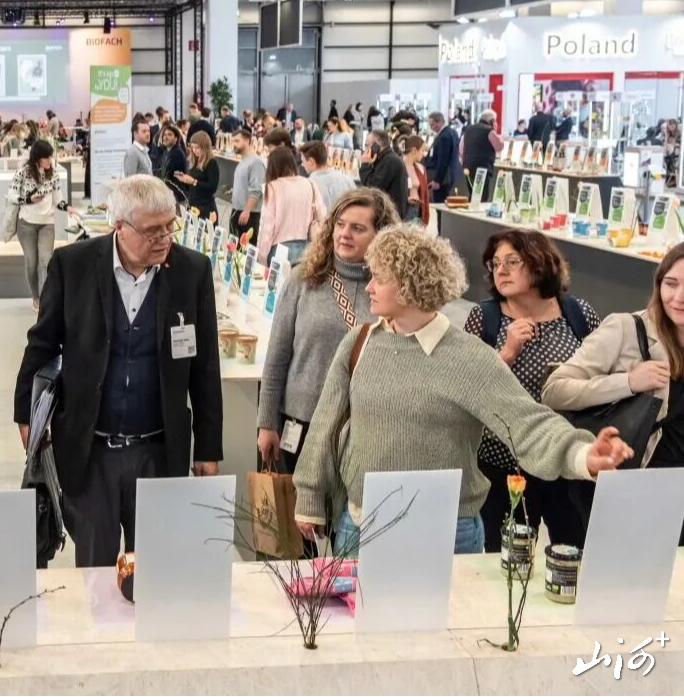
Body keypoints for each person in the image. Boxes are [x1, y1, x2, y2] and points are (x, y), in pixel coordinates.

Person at [293, 226, 631, 555]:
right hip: (360, 522)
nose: (369, 287)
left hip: (447, 530)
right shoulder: (360, 342)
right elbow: (326, 423)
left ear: (411, 283)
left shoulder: (467, 357)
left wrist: (583, 455)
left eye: (379, 278)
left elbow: (527, 422)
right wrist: (309, 496)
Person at [13, 175, 222, 568]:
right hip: (91, 451)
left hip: (159, 452)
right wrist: (25, 412)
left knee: (157, 568)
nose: (165, 238)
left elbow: (205, 365)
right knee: (95, 571)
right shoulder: (73, 265)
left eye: (170, 226)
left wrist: (208, 447)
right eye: (152, 230)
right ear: (119, 226)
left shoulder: (191, 271)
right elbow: (42, 343)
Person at [464, 229, 601, 550]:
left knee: (576, 552)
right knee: (507, 558)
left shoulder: (578, 314)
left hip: (567, 459)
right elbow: (468, 386)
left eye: (512, 261)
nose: (501, 270)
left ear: (540, 264)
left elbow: (601, 373)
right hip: (503, 462)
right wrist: (508, 352)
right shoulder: (485, 318)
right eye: (495, 263)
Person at [258, 189, 399, 472]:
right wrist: (266, 423)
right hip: (301, 423)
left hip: (362, 428)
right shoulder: (304, 278)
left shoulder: (391, 289)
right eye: (340, 224)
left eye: (358, 228)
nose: (345, 234)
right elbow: (276, 357)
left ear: (380, 235)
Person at [543, 244, 684, 502]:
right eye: (671, 284)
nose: (679, 297)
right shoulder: (626, 328)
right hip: (632, 486)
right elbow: (555, 390)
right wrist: (628, 382)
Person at [12, 141, 67, 312]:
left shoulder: (54, 174)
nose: (49, 160)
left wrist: (68, 208)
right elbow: (12, 196)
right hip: (26, 224)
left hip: (47, 223)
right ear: (37, 158)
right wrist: (29, 199)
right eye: (46, 157)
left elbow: (58, 199)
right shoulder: (23, 173)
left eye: (50, 156)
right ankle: (35, 297)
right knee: (31, 263)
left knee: (47, 260)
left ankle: (46, 297)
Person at [257, 147, 324, 266]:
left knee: (279, 279)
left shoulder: (272, 188)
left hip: (278, 250)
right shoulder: (310, 183)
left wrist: (261, 258)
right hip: (305, 247)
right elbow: (322, 214)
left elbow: (267, 227)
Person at [359, 129, 408, 220]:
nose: (365, 149)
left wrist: (365, 164)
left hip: (390, 215)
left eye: (366, 145)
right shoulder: (385, 158)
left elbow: (371, 188)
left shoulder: (389, 161)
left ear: (376, 145)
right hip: (389, 212)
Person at [174, 131, 220, 223]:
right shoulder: (194, 161)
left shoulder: (211, 163)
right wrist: (184, 180)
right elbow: (191, 188)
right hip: (193, 205)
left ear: (205, 147)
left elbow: (212, 188)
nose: (194, 150)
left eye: (197, 147)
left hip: (205, 207)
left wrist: (194, 182)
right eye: (193, 147)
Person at [229, 129, 265, 243]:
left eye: (237, 141)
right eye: (233, 141)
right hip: (237, 212)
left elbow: (256, 189)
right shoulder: (243, 161)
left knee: (244, 250)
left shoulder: (256, 162)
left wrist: (247, 210)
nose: (234, 144)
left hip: (248, 215)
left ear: (247, 141)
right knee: (234, 248)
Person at [300, 141, 355, 211]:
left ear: (311, 161)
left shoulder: (308, 186)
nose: (302, 164)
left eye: (303, 161)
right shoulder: (347, 178)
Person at [461, 110, 503, 201]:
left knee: (472, 192)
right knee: (482, 195)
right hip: (482, 167)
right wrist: (495, 131)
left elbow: (461, 149)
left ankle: (471, 209)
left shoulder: (468, 129)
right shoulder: (489, 131)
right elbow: (499, 147)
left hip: (468, 166)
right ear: (492, 121)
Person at [424, 112, 460, 204]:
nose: (431, 127)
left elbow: (442, 161)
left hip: (443, 178)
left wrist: (437, 180)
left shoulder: (444, 137)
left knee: (440, 203)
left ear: (439, 122)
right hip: (448, 175)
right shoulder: (452, 132)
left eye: (432, 124)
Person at [157, 123, 189, 203]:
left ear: (176, 139)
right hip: (170, 194)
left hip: (177, 197)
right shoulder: (167, 151)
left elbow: (167, 175)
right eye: (164, 135)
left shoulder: (177, 153)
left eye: (169, 135)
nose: (166, 137)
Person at [401, 135, 429, 226]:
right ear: (414, 150)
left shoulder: (420, 168)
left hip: (417, 209)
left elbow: (425, 194)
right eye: (422, 150)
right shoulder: (398, 166)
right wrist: (405, 199)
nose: (423, 154)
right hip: (403, 210)